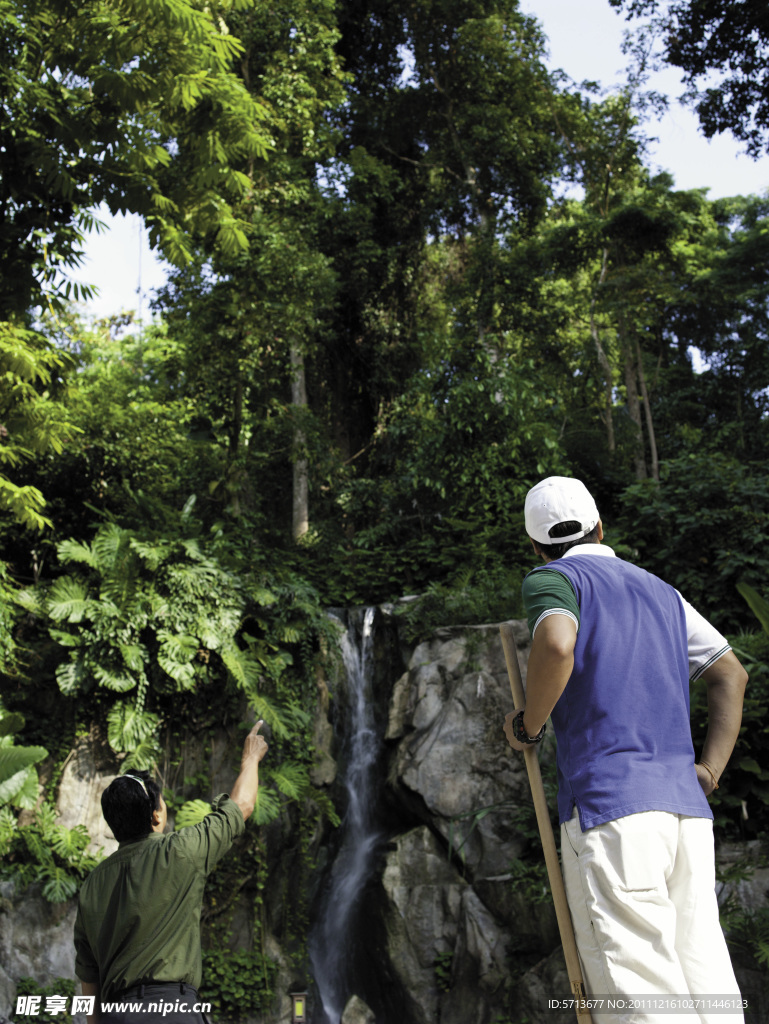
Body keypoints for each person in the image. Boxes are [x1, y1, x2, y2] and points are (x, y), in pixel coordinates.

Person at [503, 476, 748, 1023]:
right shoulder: (661, 591)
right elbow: (731, 674)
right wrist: (708, 768)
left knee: (644, 996)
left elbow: (557, 642)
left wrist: (529, 725)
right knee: (706, 980)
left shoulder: (553, 578)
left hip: (612, 812)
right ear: (600, 527)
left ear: (536, 545)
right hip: (685, 813)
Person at [74, 720, 268, 1024]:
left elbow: (90, 984)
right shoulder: (180, 851)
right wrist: (250, 759)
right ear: (155, 815)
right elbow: (241, 805)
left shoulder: (91, 886)